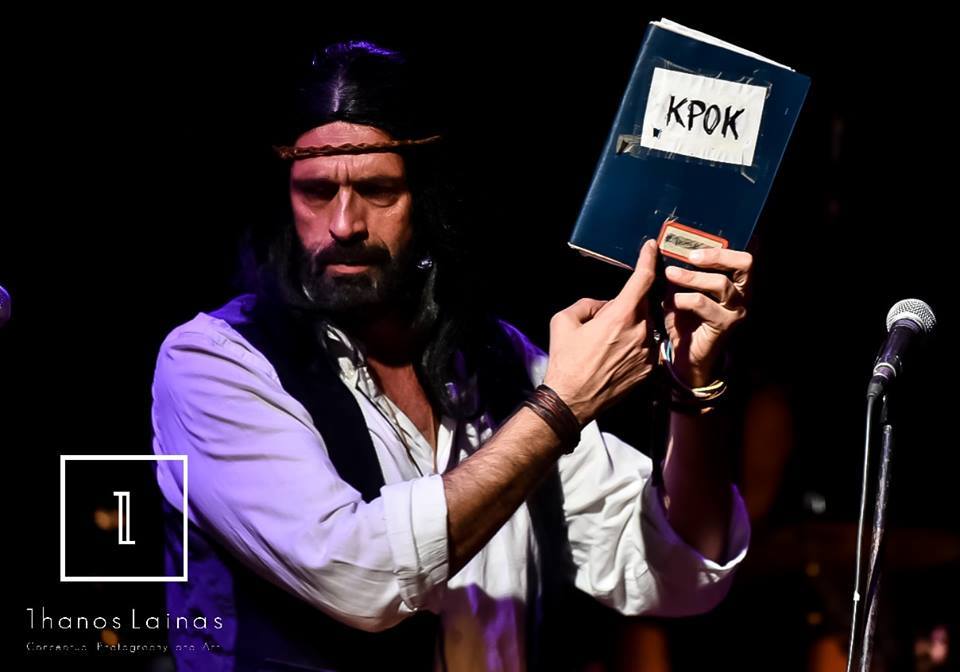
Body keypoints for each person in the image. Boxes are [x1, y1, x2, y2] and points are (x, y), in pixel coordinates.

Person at [151, 40, 753, 672]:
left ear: (426, 200)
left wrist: (692, 384)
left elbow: (678, 574)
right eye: (317, 192)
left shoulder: (497, 362)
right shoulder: (214, 362)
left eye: (378, 190)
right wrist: (560, 408)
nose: (344, 224)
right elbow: (357, 574)